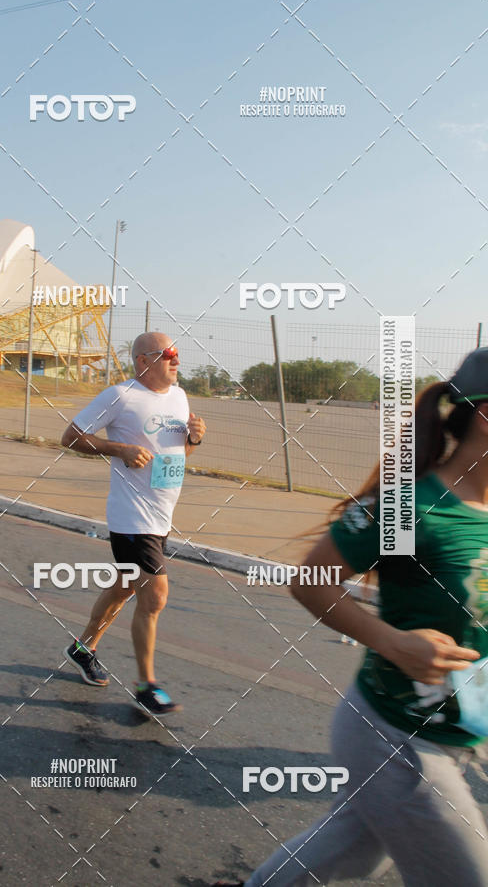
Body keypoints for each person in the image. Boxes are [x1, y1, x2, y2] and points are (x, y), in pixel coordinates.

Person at [214, 346, 488, 887]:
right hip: (394, 734)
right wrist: (392, 642)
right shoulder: (410, 507)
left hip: (459, 730)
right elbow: (311, 579)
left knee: (353, 849)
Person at [60, 332, 206, 716]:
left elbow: (178, 452)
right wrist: (118, 449)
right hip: (131, 517)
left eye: (178, 354)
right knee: (154, 596)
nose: (176, 361)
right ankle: (146, 686)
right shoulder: (119, 396)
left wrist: (194, 439)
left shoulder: (179, 396)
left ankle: (83, 647)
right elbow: (70, 436)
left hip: (162, 513)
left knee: (125, 587)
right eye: (168, 354)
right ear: (143, 361)